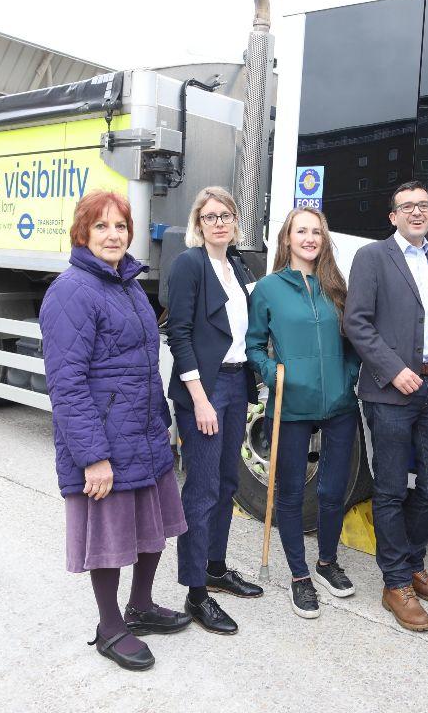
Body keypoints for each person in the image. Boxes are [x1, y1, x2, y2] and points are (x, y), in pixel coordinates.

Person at [40, 189, 190, 672]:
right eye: (101, 226)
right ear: (82, 233)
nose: (112, 235)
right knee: (109, 538)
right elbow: (66, 382)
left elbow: (142, 364)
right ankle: (109, 627)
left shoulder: (125, 283)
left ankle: (140, 606)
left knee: (152, 527)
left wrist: (163, 423)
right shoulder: (71, 291)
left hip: (143, 431)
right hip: (105, 439)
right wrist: (93, 456)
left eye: (120, 226)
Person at [344, 181, 428, 633]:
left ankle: (412, 564)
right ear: (392, 216)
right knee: (391, 489)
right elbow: (357, 321)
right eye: (406, 207)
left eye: (423, 206)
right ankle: (396, 583)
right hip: (391, 390)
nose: (416, 213)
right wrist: (394, 370)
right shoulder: (373, 257)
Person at [246, 207, 362, 619]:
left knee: (333, 491)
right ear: (287, 239)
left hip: (340, 405)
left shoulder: (337, 288)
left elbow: (353, 342)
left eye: (317, 232)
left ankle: (327, 562)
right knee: (291, 492)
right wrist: (271, 373)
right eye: (302, 231)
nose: (310, 238)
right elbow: (254, 345)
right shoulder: (268, 289)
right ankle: (299, 576)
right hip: (291, 405)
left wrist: (349, 377)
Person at [166, 186, 263, 635]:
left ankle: (215, 567)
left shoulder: (238, 264)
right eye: (210, 217)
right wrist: (201, 398)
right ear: (198, 224)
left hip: (235, 383)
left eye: (226, 215)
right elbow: (179, 334)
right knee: (202, 490)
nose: (220, 222)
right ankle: (195, 592)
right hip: (203, 390)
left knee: (227, 484)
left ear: (236, 221)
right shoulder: (190, 264)